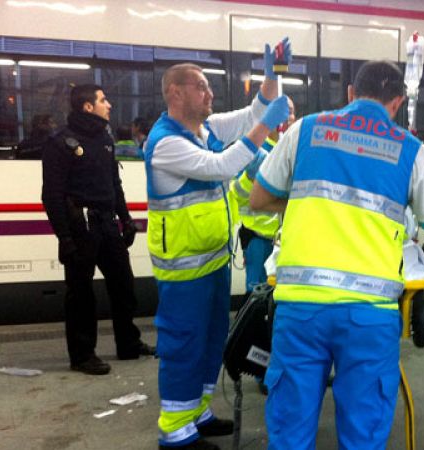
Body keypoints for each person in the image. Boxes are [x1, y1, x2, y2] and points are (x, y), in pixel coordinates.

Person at [250, 59, 424, 450]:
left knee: (289, 431)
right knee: (363, 435)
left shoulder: (305, 130)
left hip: (300, 308)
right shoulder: (412, 151)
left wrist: (303, 199)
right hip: (368, 314)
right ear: (396, 103)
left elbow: (259, 197)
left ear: (350, 93)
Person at [144, 38, 292, 450]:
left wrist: (272, 76)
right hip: (183, 268)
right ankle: (175, 431)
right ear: (175, 93)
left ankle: (197, 413)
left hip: (211, 260)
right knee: (182, 344)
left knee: (210, 339)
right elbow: (223, 165)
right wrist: (265, 128)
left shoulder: (202, 128)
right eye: (201, 87)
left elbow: (252, 114)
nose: (209, 94)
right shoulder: (166, 143)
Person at [41, 84, 154, 377]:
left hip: (106, 222)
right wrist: (64, 237)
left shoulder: (105, 139)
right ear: (87, 107)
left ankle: (128, 343)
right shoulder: (60, 143)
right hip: (80, 226)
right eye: (104, 100)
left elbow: (113, 184)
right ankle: (82, 355)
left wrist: (126, 218)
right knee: (80, 294)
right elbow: (51, 195)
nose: (110, 105)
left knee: (124, 285)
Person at [230, 96, 295, 301]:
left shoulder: (294, 148)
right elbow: (237, 195)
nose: (288, 116)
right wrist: (251, 177)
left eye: (291, 111)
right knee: (257, 297)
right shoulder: (254, 151)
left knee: (282, 297)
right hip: (259, 239)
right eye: (283, 111)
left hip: (288, 241)